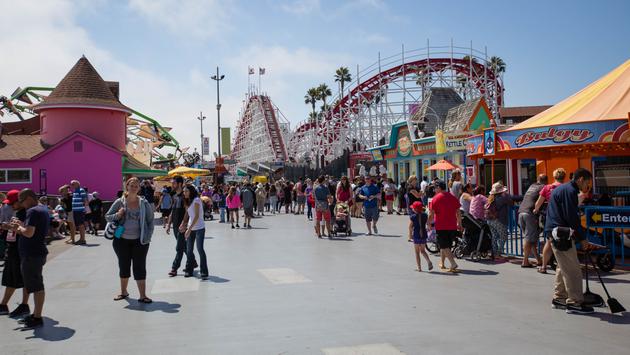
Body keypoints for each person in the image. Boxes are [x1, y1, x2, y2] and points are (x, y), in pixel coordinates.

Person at [545, 168, 595, 314]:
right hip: (561, 233)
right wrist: (583, 238)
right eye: (587, 182)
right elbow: (571, 217)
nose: (587, 186)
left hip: (555, 231)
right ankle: (574, 302)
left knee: (563, 266)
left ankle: (559, 298)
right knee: (573, 269)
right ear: (580, 179)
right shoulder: (570, 191)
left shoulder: (564, 189)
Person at [105, 177, 154, 304]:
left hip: (140, 241)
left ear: (139, 188)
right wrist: (118, 215)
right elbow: (107, 217)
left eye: (136, 186)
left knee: (140, 267)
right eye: (132, 185)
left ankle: (143, 295)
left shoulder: (144, 203)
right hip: (121, 240)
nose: (134, 187)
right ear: (127, 186)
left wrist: (147, 237)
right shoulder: (120, 202)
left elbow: (150, 221)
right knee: (123, 265)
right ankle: (123, 292)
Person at [9, 189, 50, 328]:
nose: (20, 203)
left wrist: (17, 228)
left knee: (37, 287)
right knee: (35, 284)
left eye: (21, 200)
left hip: (32, 254)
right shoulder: (42, 209)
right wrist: (20, 225)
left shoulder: (32, 211)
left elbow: (29, 233)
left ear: (29, 198)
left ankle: (37, 317)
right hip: (37, 252)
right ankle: (35, 315)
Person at [0, 190, 30, 319]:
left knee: (24, 279)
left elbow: (26, 231)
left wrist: (10, 227)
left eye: (13, 203)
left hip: (20, 249)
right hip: (13, 248)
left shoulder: (27, 213)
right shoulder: (18, 212)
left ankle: (24, 305)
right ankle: (4, 304)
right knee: (10, 277)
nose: (11, 206)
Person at [534, 168, 566, 274]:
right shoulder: (566, 188)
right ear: (564, 177)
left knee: (549, 241)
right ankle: (564, 267)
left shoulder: (547, 188)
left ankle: (543, 267)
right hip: (564, 218)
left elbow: (538, 204)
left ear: (554, 176)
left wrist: (536, 210)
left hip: (551, 217)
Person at [165, 176, 196, 277]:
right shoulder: (174, 196)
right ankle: (193, 262)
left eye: (174, 183)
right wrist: (169, 224)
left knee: (179, 247)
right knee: (184, 247)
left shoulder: (184, 196)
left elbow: (188, 210)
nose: (172, 185)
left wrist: (184, 223)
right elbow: (173, 211)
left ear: (179, 184)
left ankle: (174, 268)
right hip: (175, 226)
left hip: (182, 226)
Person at [427, 181, 461, 273]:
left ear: (439, 188)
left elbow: (431, 214)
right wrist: (460, 224)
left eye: (435, 188)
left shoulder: (435, 198)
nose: (434, 190)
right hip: (452, 226)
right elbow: (458, 212)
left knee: (443, 245)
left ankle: (453, 263)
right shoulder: (453, 197)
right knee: (446, 246)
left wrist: (428, 223)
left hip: (441, 226)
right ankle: (442, 263)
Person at [518, 175, 548, 268]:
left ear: (538, 180)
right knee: (528, 239)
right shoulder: (544, 187)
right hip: (530, 213)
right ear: (546, 181)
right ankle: (525, 261)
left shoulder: (532, 186)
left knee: (531, 239)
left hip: (521, 212)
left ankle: (538, 260)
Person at [181, 185, 209, 279]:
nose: (184, 193)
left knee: (200, 249)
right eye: (184, 191)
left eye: (186, 191)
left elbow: (196, 216)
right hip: (190, 227)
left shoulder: (196, 200)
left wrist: (188, 230)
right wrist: (183, 224)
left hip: (199, 228)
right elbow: (188, 214)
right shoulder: (187, 201)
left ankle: (204, 271)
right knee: (189, 250)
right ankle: (189, 270)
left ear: (191, 191)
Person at [485, 182, 514, 260]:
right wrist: (506, 195)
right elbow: (511, 203)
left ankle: (494, 253)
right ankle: (498, 253)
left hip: (490, 220)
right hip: (498, 220)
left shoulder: (491, 198)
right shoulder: (502, 198)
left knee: (494, 236)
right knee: (504, 236)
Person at [410, 201, 433, 272]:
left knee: (417, 252)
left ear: (414, 209)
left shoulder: (413, 217)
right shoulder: (425, 215)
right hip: (423, 234)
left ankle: (419, 268)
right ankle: (429, 261)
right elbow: (428, 224)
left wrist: (410, 235)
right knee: (423, 251)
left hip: (416, 235)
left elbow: (410, 227)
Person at [70, 180, 89, 245]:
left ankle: (82, 239)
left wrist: (83, 208)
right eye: (71, 184)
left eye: (73, 184)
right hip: (76, 211)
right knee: (79, 225)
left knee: (81, 225)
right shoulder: (75, 191)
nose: (72, 186)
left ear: (77, 184)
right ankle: (81, 239)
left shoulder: (81, 190)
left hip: (79, 211)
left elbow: (85, 201)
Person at [406, 176, 423, 242]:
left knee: (418, 221)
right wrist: (421, 192)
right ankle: (410, 236)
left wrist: (421, 193)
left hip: (418, 205)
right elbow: (418, 195)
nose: (416, 181)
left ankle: (415, 235)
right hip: (412, 206)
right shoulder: (410, 188)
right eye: (415, 180)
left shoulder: (416, 187)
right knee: (412, 221)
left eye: (416, 179)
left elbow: (421, 194)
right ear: (411, 180)